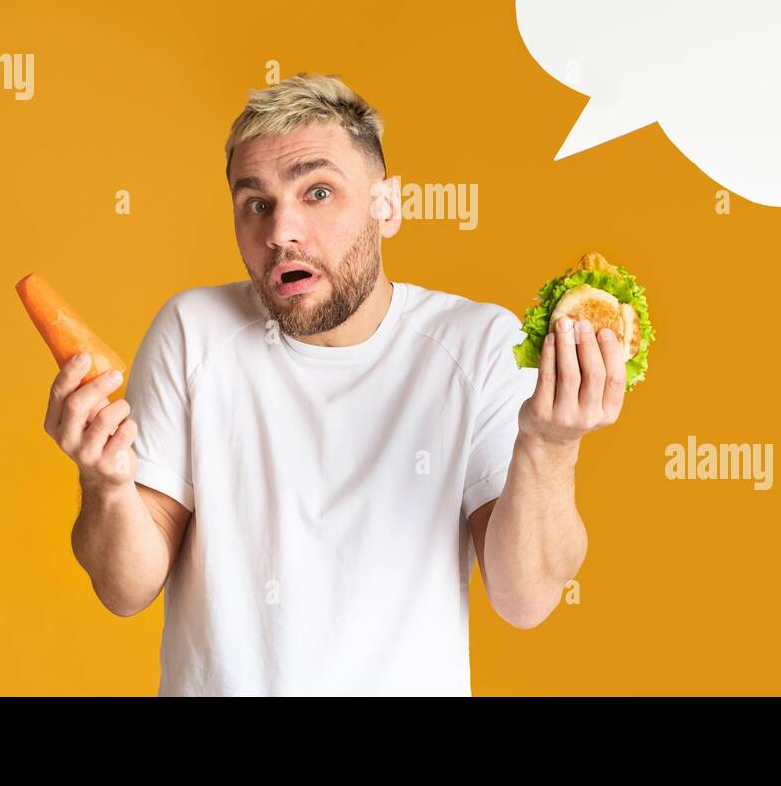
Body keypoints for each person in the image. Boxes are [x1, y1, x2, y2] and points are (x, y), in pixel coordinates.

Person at [45, 74, 631, 695]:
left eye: (317, 191)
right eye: (256, 203)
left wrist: (549, 445)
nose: (281, 232)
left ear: (387, 205)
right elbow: (125, 589)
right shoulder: (193, 331)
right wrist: (105, 485)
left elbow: (526, 598)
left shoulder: (476, 343)